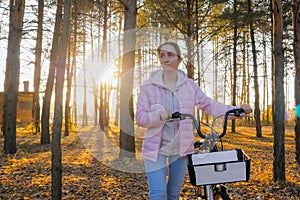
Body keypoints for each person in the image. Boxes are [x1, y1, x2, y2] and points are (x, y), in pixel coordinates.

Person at [135, 41, 252, 200]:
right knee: (158, 194)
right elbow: (140, 118)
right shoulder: (148, 87)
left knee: (173, 194)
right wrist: (160, 116)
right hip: (156, 149)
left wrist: (236, 110)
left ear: (179, 59)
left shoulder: (189, 85)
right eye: (162, 55)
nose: (165, 59)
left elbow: (208, 105)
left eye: (170, 55)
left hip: (181, 149)